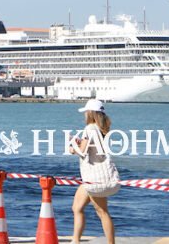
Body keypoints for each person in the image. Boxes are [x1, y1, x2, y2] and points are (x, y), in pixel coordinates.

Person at [68, 99, 116, 244]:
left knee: (102, 212)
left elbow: (82, 152)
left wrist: (72, 146)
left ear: (90, 113)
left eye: (86, 112)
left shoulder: (89, 129)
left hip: (94, 177)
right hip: (97, 175)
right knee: (77, 207)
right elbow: (91, 148)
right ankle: (75, 241)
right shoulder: (103, 129)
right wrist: (79, 143)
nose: (84, 115)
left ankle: (110, 243)